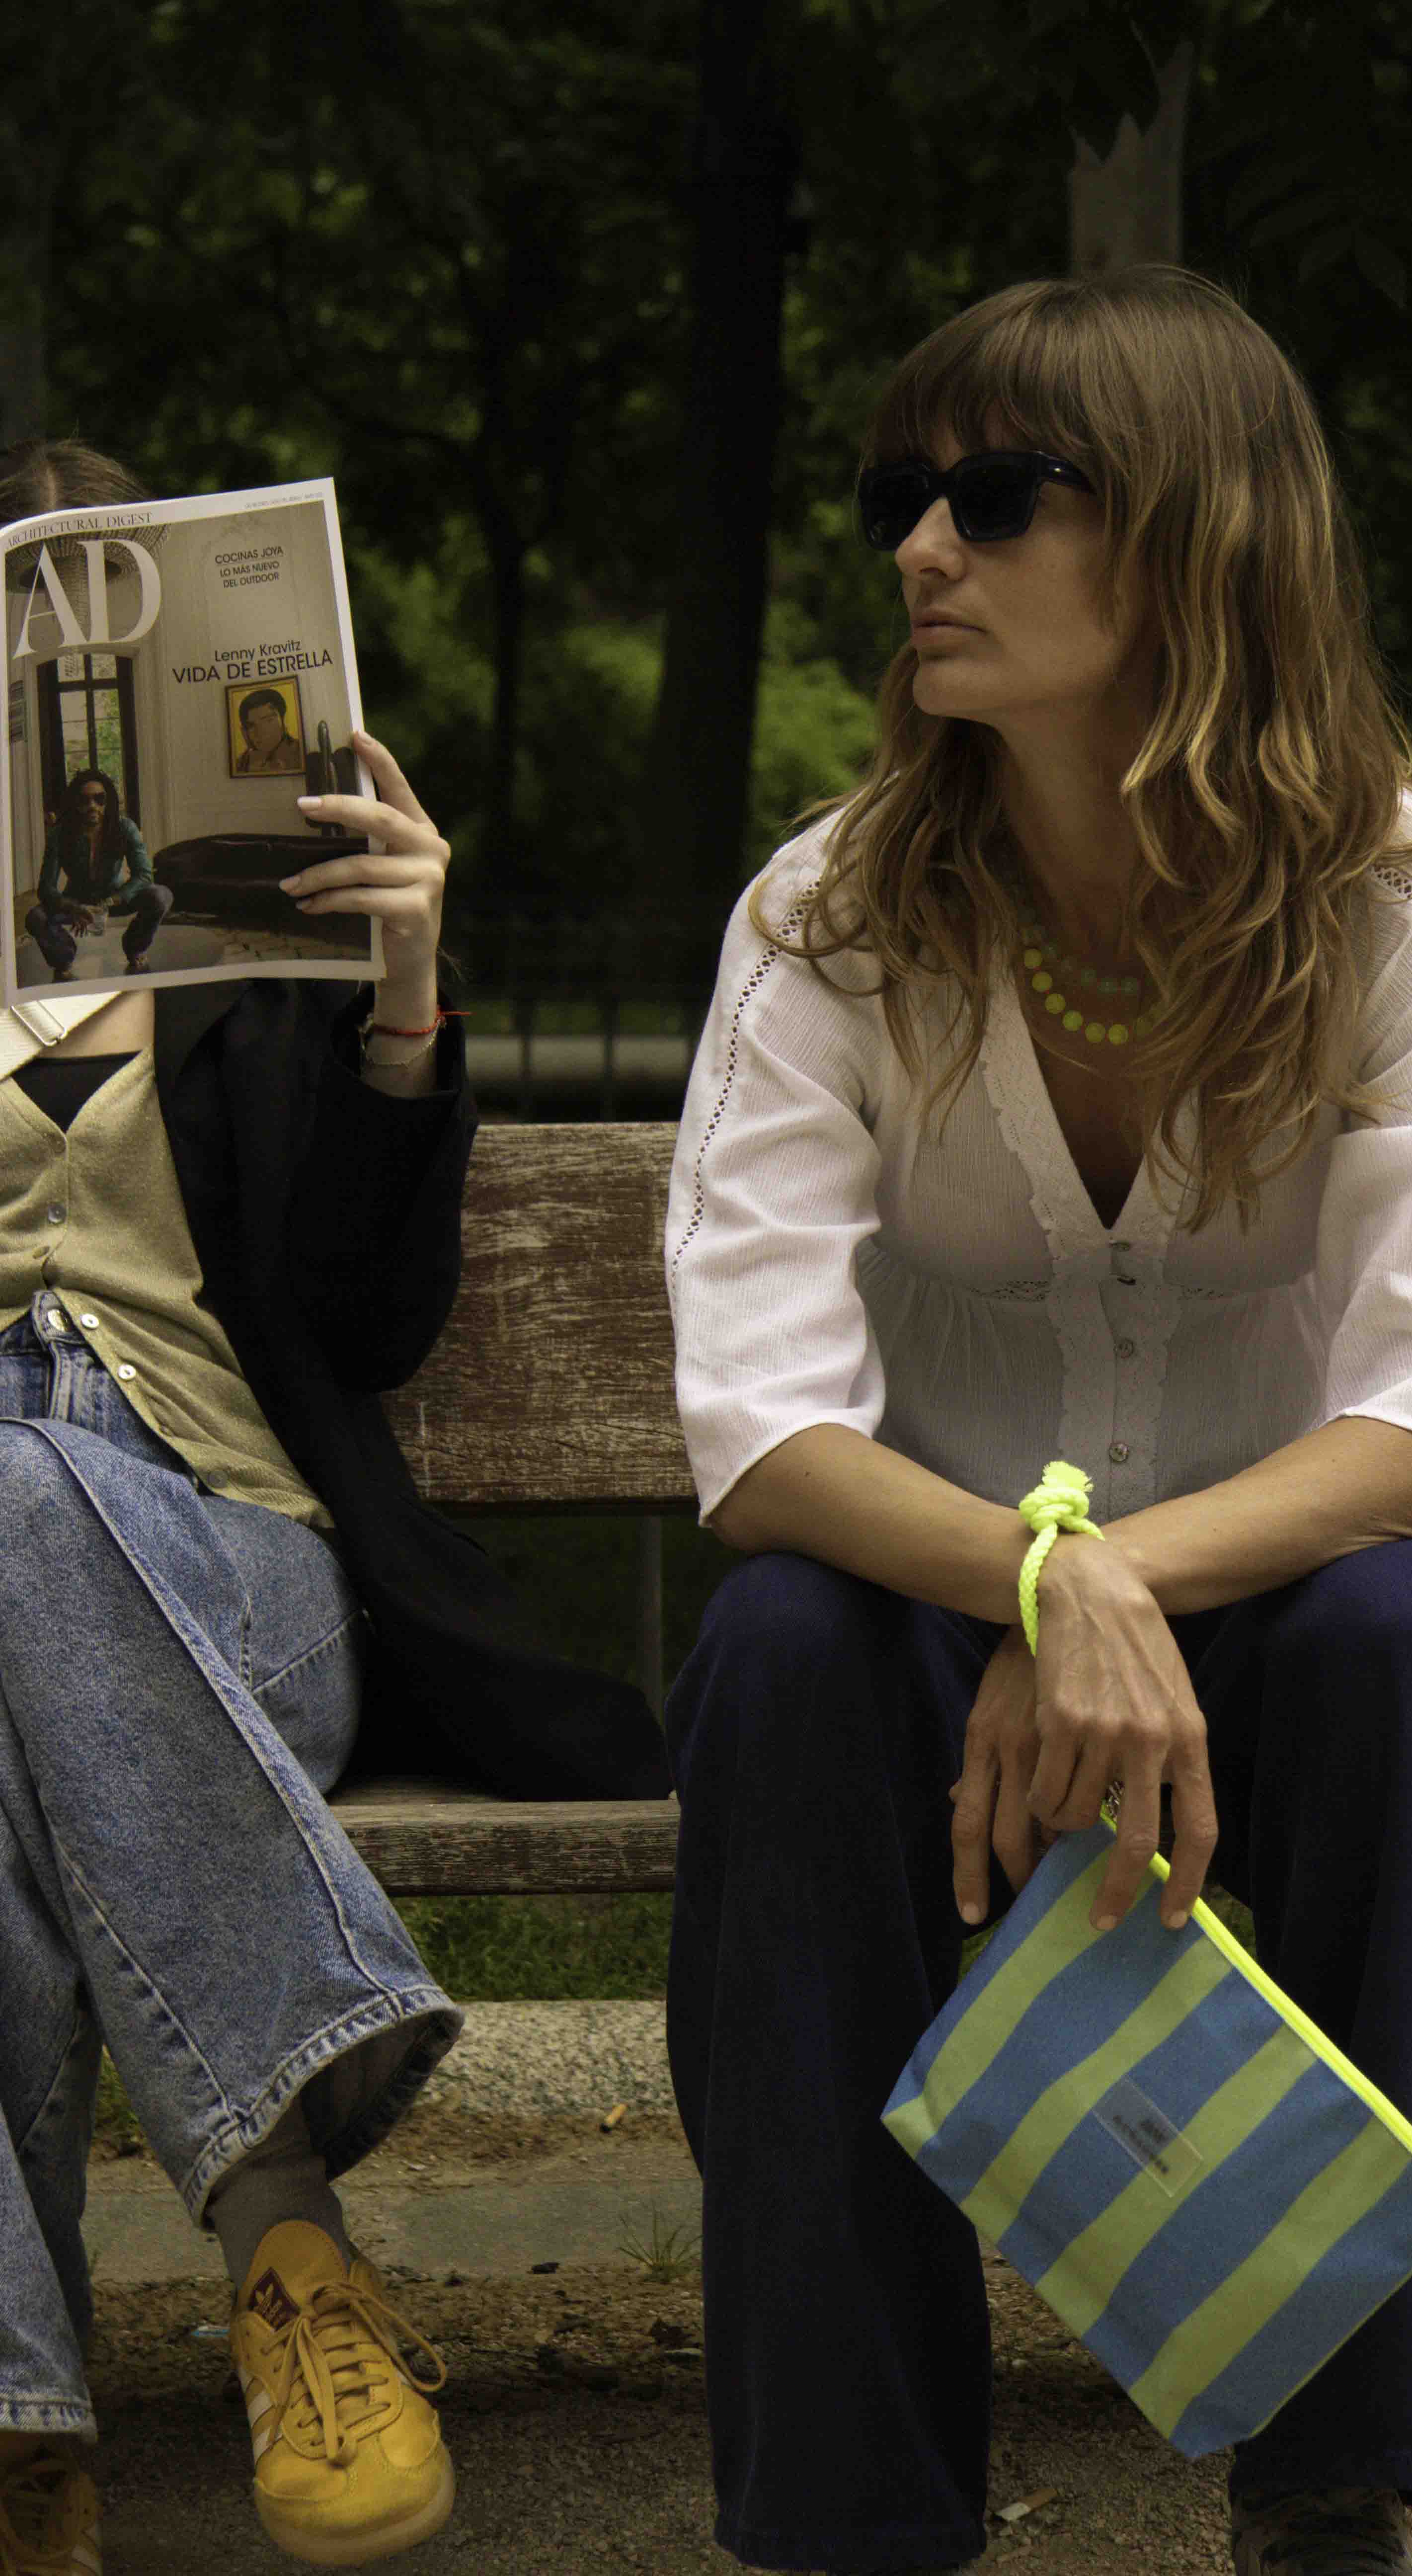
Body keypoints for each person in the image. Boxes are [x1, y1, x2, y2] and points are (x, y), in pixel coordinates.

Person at [661, 270, 1412, 2576]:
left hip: (1274, 1622)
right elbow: (762, 1434)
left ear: (1195, 535)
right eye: (904, 499)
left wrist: (1107, 1589)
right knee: (778, 1661)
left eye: (997, 496)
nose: (923, 549)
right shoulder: (823, 918)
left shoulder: (1397, 895)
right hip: (921, 1630)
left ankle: (1333, 2496)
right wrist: (1029, 1582)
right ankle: (852, 2520)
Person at [0, 440, 670, 2576]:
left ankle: (37, 2397)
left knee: (17, 1492)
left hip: (232, 1551)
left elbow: (372, 1320)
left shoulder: (251, 947)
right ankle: (277, 2266)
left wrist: (399, 990)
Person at [24, 769, 174, 980]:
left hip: (115, 898)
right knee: (35, 917)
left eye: (99, 799)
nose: (92, 806)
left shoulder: (125, 828)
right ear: (75, 804)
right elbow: (46, 888)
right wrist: (72, 907)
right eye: (84, 800)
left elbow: (143, 875)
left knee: (161, 896)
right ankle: (63, 957)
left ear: (108, 802)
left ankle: (135, 946)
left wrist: (113, 901)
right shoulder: (60, 834)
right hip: (77, 902)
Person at [235, 686, 305, 775]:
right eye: (251, 726)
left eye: (269, 721)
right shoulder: (241, 764)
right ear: (245, 731)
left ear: (284, 720)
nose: (260, 732)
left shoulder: (301, 753)